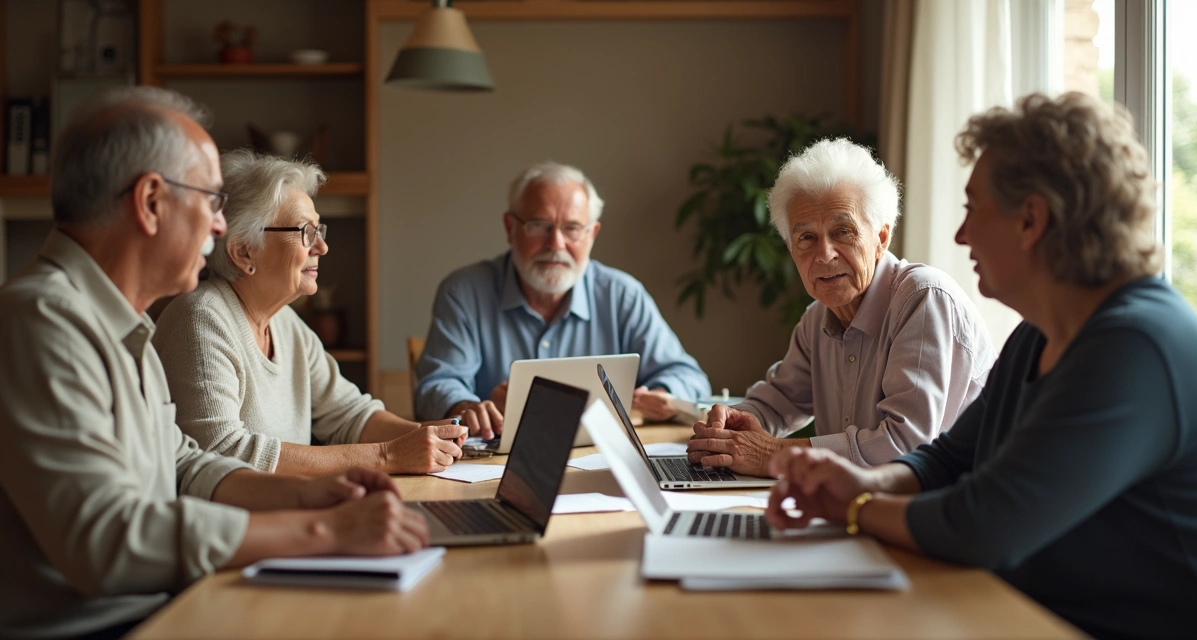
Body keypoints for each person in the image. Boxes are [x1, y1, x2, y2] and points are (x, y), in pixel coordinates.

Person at [767, 93, 1197, 639]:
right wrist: (863, 480)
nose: (961, 235)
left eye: (972, 209)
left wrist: (854, 506)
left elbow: (983, 523)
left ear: (1031, 220)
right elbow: (945, 461)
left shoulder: (1137, 346)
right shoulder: (1038, 335)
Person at [0, 87, 430, 638]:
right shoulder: (43, 323)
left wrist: (310, 493)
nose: (222, 227)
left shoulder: (122, 324)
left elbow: (185, 465)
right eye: (210, 200)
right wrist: (323, 531)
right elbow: (105, 540)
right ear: (151, 201)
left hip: (159, 609)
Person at [687, 139, 995, 477]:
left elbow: (907, 445)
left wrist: (773, 454)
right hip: (861, 512)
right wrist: (730, 427)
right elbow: (776, 401)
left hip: (944, 516)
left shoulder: (923, 299)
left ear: (881, 238)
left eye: (842, 231)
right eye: (806, 238)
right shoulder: (817, 319)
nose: (824, 254)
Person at [154, 149, 465, 476]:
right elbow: (221, 453)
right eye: (305, 232)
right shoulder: (202, 319)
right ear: (244, 251)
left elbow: (350, 414)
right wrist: (387, 457)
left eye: (320, 230)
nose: (321, 247)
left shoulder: (285, 322)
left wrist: (431, 436)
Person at [414, 162, 711, 437]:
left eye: (571, 228)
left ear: (592, 234)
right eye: (540, 225)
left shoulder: (623, 295)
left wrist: (663, 395)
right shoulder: (464, 293)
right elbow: (435, 386)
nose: (556, 244)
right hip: (495, 463)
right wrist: (464, 407)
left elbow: (689, 377)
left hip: (601, 460)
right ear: (510, 228)